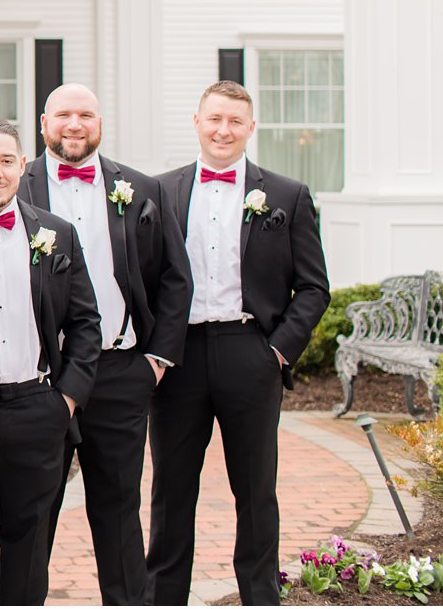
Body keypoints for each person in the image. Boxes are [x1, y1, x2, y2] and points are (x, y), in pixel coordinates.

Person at [147, 80, 330, 605]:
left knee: (255, 490)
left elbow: (314, 287)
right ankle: (164, 598)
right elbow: (145, 275)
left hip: (251, 351)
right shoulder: (161, 191)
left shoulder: (288, 195)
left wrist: (276, 351)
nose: (223, 130)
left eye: (234, 121)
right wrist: (152, 352)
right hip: (178, 358)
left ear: (250, 128)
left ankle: (259, 596)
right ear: (197, 123)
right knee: (170, 491)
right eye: (214, 119)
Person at [23, 83, 193, 605]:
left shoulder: (140, 189)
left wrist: (156, 362)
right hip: (41, 378)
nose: (75, 125)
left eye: (86, 115)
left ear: (100, 123)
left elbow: (174, 278)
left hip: (121, 372)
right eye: (64, 115)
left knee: (119, 509)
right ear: (44, 122)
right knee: (34, 511)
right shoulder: (12, 182)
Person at [0, 119, 100, 606]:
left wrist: (65, 400)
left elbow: (85, 323)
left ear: (22, 167)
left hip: (36, 408)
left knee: (29, 544)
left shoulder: (57, 234)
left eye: (7, 161)